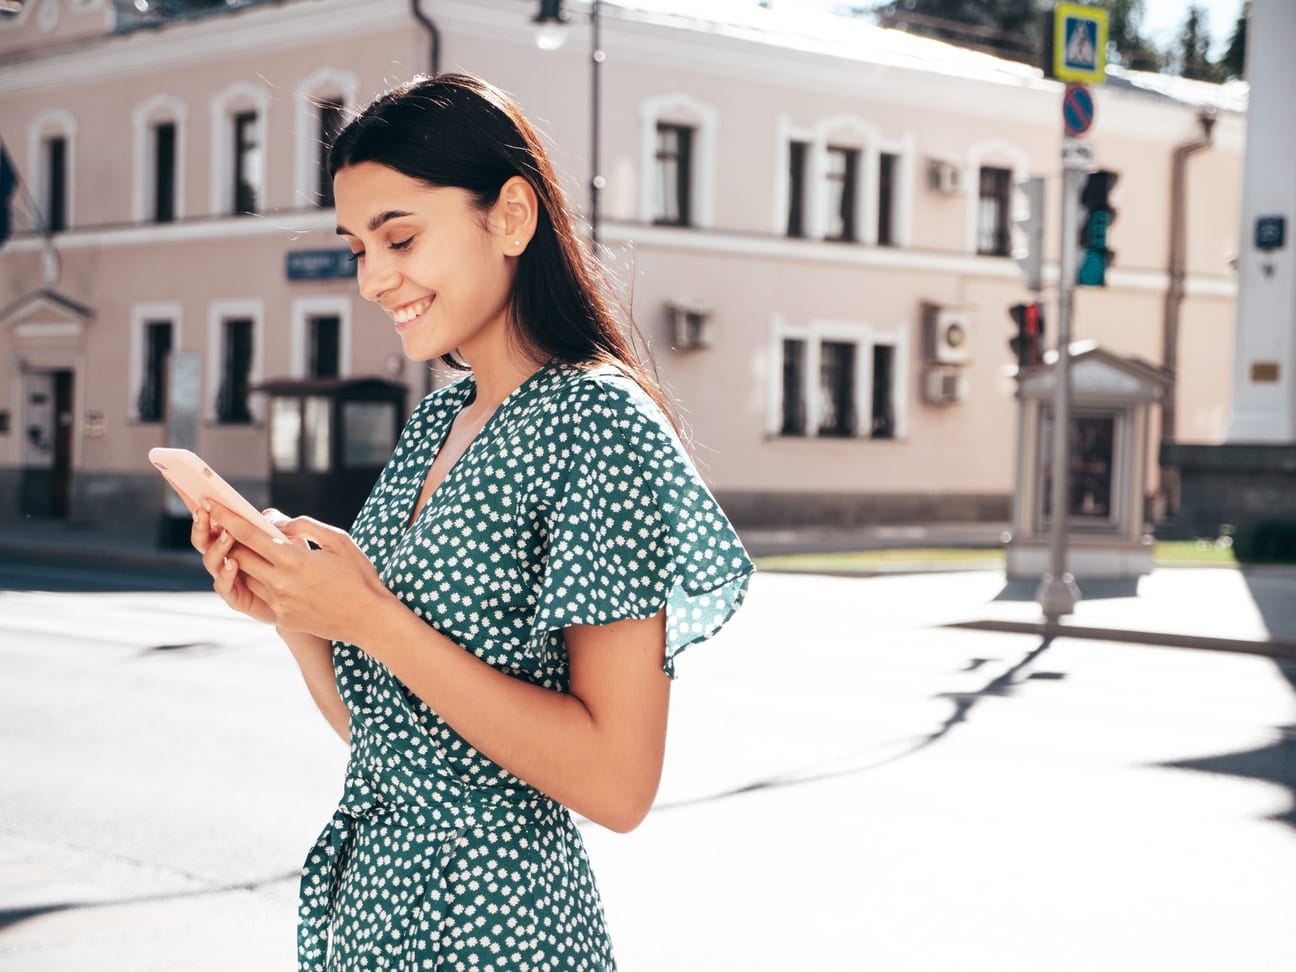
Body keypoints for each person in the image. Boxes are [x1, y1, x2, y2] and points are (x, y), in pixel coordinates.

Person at [189, 73, 754, 971]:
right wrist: (300, 621)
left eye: (399, 237)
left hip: (499, 934)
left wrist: (371, 617)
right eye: (355, 249)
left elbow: (617, 782)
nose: (373, 279)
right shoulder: (435, 424)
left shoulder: (596, 424)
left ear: (512, 217)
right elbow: (403, 744)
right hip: (373, 918)